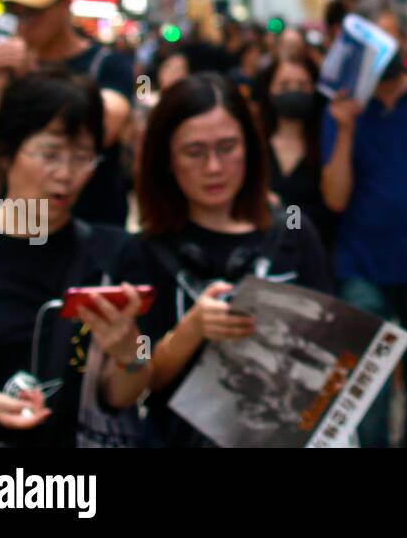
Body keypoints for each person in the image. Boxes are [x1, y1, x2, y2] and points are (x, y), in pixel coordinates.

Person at [0, 71, 151, 448]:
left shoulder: (114, 253)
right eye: (50, 154)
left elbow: (122, 394)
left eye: (82, 158)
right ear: (7, 152)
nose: (66, 175)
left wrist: (130, 352)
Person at [136, 73, 332, 447]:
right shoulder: (145, 251)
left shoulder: (292, 234)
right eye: (195, 152)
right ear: (166, 159)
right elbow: (136, 380)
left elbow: (333, 348)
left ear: (250, 148)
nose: (213, 167)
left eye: (227, 147)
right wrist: (190, 331)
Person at [321, 10, 407, 449]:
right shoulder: (343, 110)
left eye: (388, 36)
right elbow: (335, 198)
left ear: (404, 39)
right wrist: (344, 130)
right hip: (363, 266)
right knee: (370, 396)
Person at [0, 0, 135, 225]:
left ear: (64, 5)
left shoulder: (108, 65)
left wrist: (29, 80)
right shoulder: (8, 67)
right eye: (15, 13)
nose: (24, 24)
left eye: (33, 12)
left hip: (91, 230)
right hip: (20, 229)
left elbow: (103, 128)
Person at [254, 52, 335, 253]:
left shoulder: (327, 144)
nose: (294, 92)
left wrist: (289, 218)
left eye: (302, 85)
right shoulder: (254, 143)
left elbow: (332, 205)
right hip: (260, 252)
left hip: (314, 252)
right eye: (284, 85)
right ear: (269, 89)